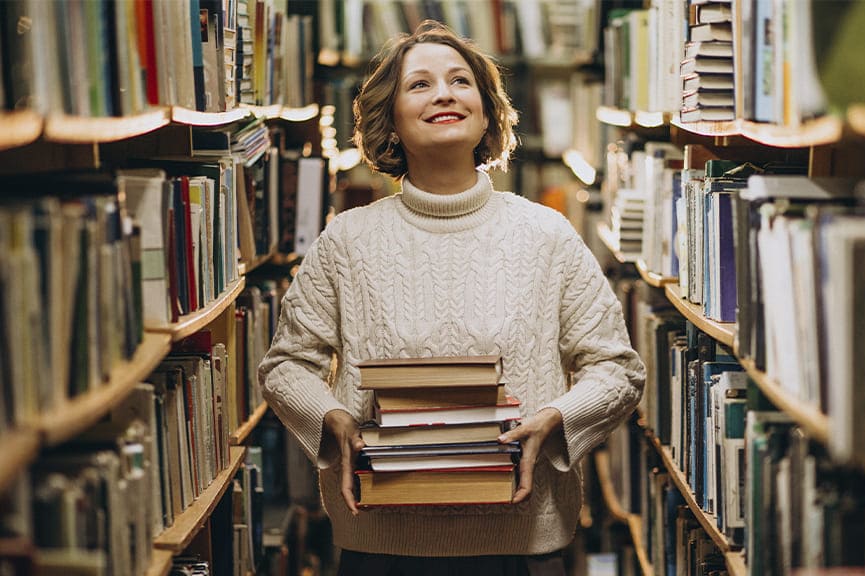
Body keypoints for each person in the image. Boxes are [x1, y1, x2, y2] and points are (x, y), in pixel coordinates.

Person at [258, 20, 645, 575]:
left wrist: (558, 418)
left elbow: (617, 369)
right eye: (419, 85)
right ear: (390, 120)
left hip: (520, 539)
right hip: (381, 541)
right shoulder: (347, 239)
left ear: (486, 112)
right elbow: (286, 366)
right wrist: (334, 417)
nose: (443, 93)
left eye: (460, 81)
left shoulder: (547, 234)